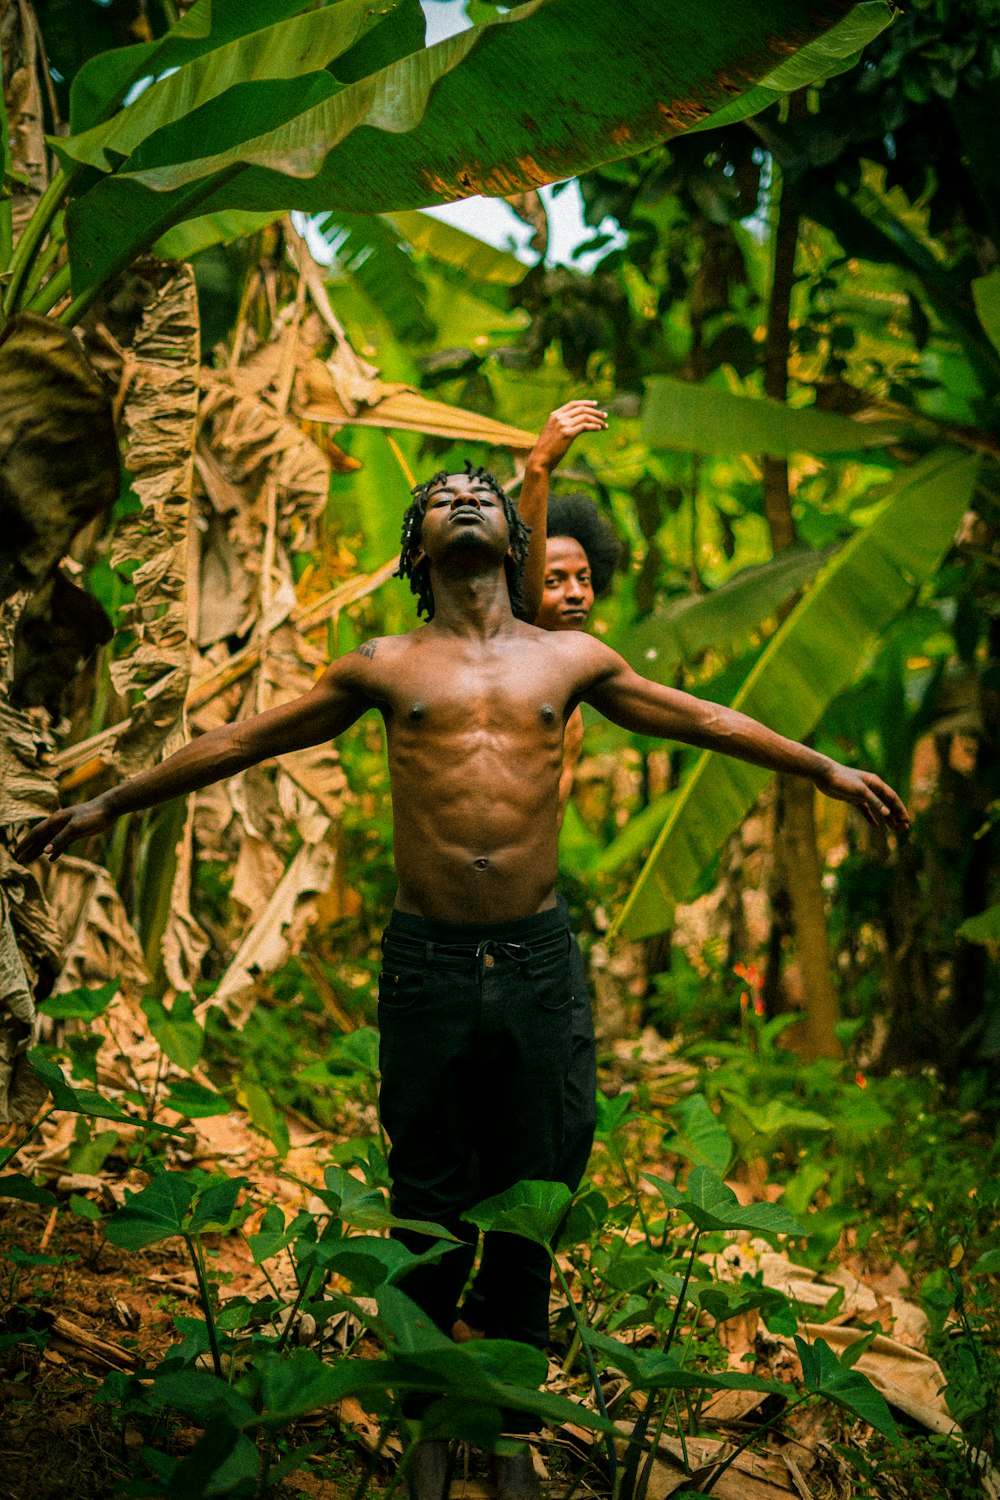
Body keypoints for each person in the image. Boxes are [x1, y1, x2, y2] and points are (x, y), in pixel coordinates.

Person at [14, 439, 909, 1499]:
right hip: (427, 964)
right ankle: (430, 1418)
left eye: (482, 491)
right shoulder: (384, 666)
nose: (465, 499)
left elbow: (704, 718)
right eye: (444, 495)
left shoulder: (571, 662)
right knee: (428, 1191)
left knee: (535, 1188)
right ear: (418, 542)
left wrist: (826, 768)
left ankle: (512, 1423)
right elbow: (246, 741)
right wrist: (110, 799)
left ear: (513, 537)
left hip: (535, 961)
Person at [453, 488, 622, 1346]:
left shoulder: (584, 675)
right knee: (472, 1130)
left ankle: (507, 1284)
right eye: (554, 578)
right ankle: (469, 1294)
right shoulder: (499, 660)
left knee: (572, 1117)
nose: (574, 591)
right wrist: (542, 462)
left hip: (545, 932)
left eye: (585, 576)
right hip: (466, 937)